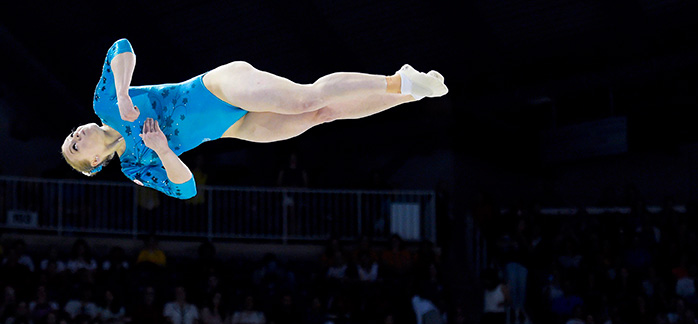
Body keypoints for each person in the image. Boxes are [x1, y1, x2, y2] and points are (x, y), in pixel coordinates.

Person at [61, 38, 448, 199]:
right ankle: (409, 92)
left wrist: (126, 92)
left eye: (72, 134)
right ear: (93, 163)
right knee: (321, 115)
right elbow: (185, 189)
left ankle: (396, 80)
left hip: (216, 87)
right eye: (75, 145)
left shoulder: (105, 103)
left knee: (303, 99)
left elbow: (121, 48)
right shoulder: (134, 166)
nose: (76, 134)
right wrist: (162, 150)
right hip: (235, 127)